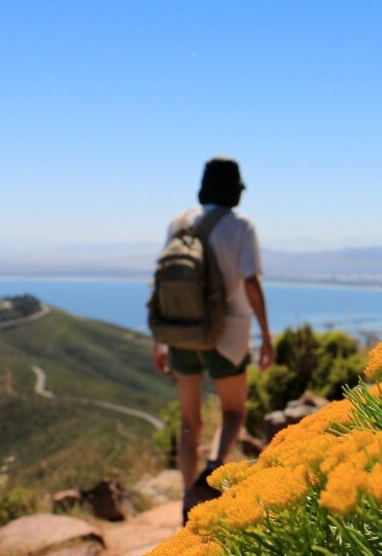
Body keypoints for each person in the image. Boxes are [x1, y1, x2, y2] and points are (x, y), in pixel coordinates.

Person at [150, 156, 273, 524]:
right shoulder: (240, 226)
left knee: (189, 421)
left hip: (181, 334)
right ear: (235, 188)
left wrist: (159, 341)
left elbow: (163, 285)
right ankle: (214, 471)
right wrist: (266, 336)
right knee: (233, 410)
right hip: (228, 336)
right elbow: (251, 283)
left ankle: (188, 495)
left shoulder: (179, 222)